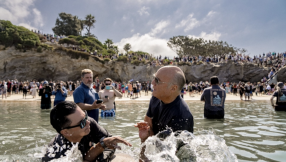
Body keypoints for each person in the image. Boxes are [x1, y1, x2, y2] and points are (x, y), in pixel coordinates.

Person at [136, 66, 194, 162]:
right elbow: (148, 125)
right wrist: (144, 138)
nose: (152, 83)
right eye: (154, 78)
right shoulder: (156, 97)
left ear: (173, 88)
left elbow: (171, 158)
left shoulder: (181, 118)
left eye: (157, 80)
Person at [42, 101, 132, 162]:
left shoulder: (89, 123)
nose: (88, 122)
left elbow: (110, 144)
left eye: (85, 116)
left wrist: (96, 157)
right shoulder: (56, 154)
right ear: (65, 132)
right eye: (82, 122)